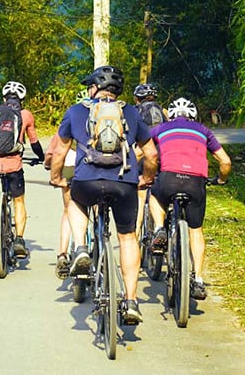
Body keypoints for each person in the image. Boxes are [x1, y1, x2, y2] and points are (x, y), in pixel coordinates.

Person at [49, 66, 159, 324]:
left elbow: (59, 153)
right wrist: (147, 178)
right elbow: (152, 154)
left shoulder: (77, 112)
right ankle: (131, 301)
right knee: (128, 238)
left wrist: (57, 178)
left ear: (94, 88)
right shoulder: (131, 113)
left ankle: (81, 248)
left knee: (75, 201)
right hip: (124, 183)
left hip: (87, 181)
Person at [147, 97, 231, 300]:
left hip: (168, 178)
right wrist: (220, 180)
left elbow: (144, 150)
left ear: (172, 115)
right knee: (196, 230)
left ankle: (159, 228)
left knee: (155, 196)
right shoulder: (204, 131)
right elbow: (226, 162)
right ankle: (199, 280)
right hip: (196, 182)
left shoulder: (161, 129)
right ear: (193, 115)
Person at [0, 81, 46, 259]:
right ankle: (19, 239)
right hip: (14, 163)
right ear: (22, 100)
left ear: (4, 98)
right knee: (19, 202)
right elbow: (34, 142)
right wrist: (41, 158)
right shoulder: (25, 115)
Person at [44, 89, 87, 279]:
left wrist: (49, 168)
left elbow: (52, 155)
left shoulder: (70, 120)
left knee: (69, 209)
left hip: (69, 167)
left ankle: (62, 253)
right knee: (92, 207)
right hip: (91, 170)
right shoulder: (101, 122)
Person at [132, 83, 168, 240]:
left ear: (137, 99)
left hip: (143, 155)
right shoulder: (163, 111)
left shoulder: (134, 111)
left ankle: (136, 235)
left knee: (140, 196)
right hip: (162, 154)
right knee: (159, 192)